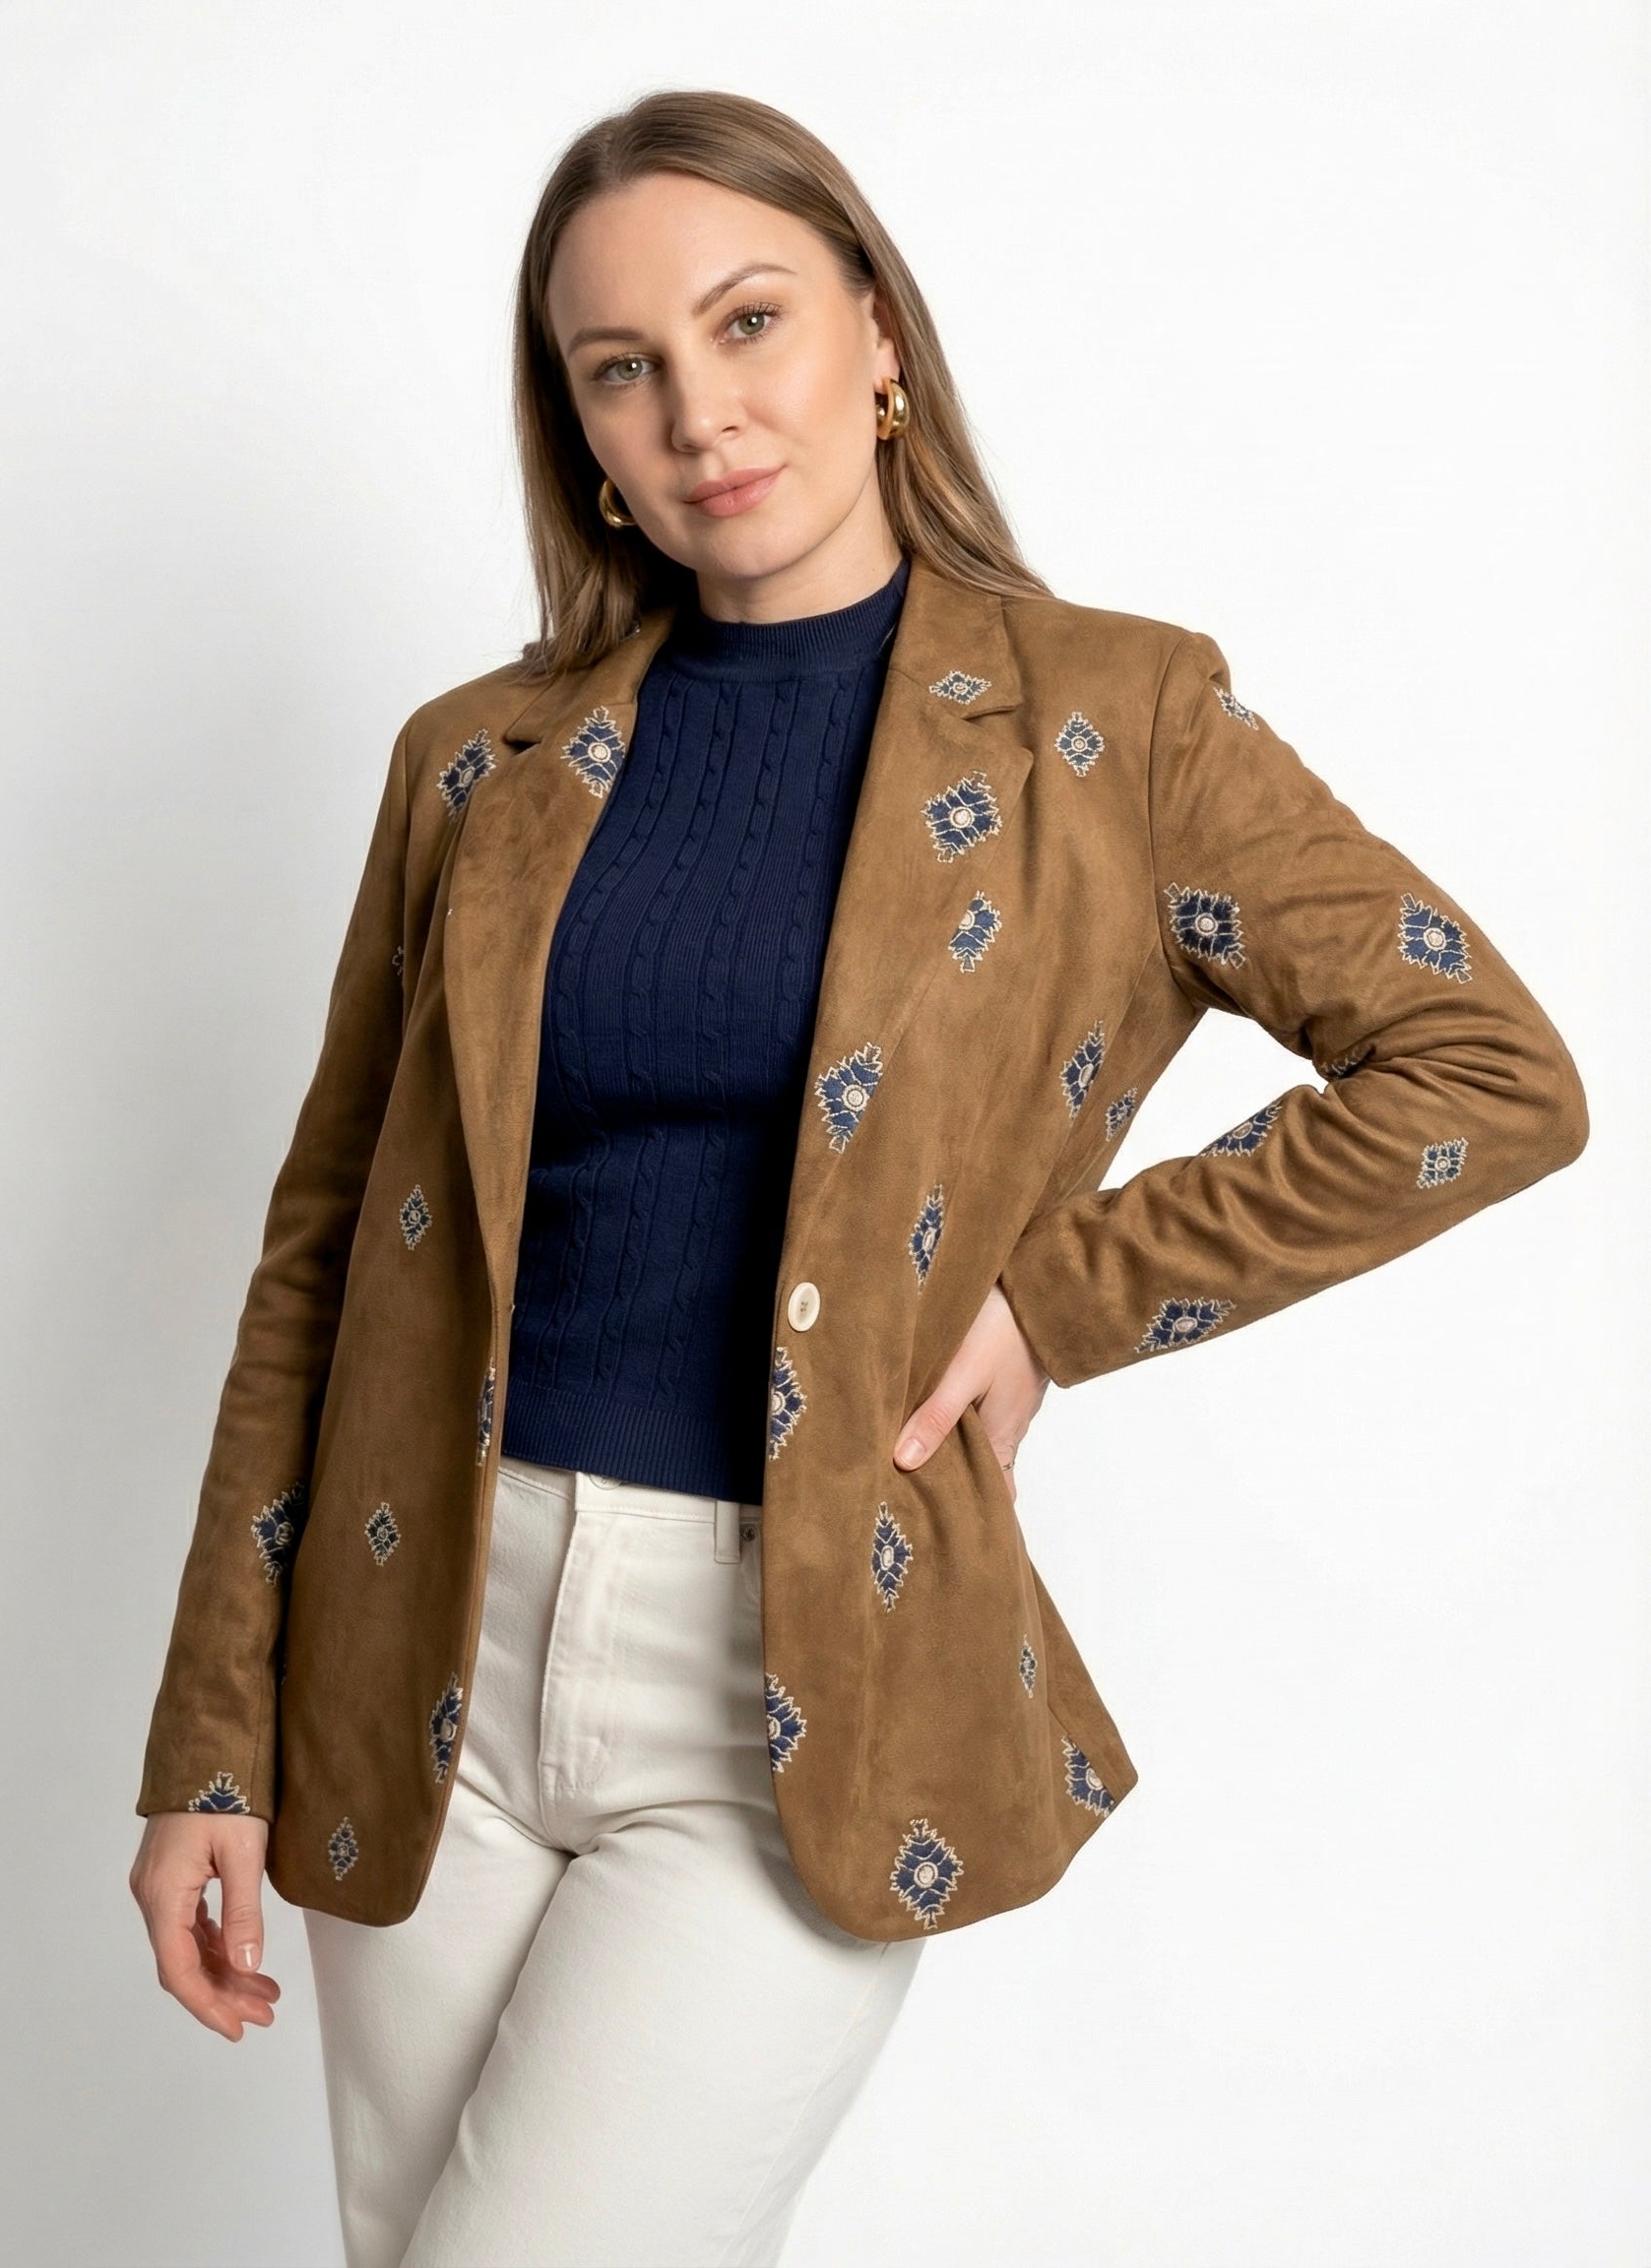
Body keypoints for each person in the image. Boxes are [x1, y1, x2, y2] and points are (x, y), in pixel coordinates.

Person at [128, 88, 1588, 2268]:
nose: (698, 412)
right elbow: (325, 1251)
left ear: (878, 333)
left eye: (749, 322)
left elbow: (1485, 1071)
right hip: (419, 1632)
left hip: (798, 1667)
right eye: (620, 367)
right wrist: (208, 1740)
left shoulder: (1118, 726)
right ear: (578, 430)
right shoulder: (477, 760)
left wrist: (1061, 1299)